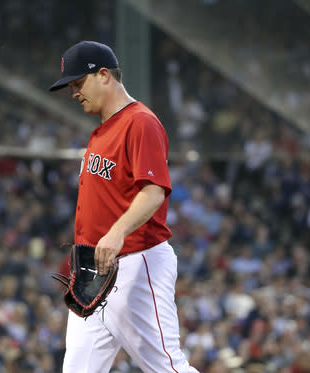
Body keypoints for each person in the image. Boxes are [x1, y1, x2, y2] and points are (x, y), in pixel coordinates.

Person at [49, 41, 199, 373]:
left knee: (167, 368)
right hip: (94, 270)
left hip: (135, 262)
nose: (73, 92)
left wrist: (116, 233)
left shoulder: (140, 122)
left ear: (103, 75)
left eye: (78, 83)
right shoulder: (103, 129)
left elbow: (154, 191)